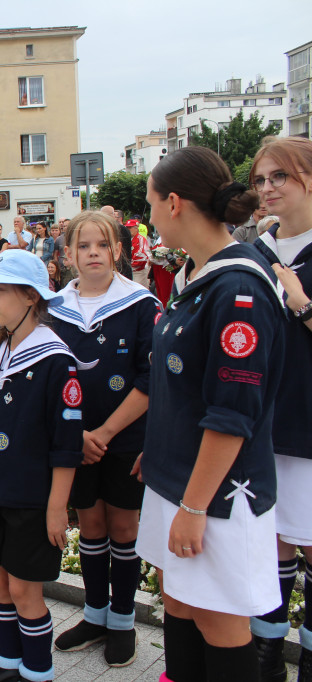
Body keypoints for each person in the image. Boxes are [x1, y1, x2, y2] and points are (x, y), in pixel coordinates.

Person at [138, 146, 285, 682]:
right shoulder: (194, 277)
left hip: (215, 494)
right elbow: (179, 387)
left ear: (174, 203)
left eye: (151, 202)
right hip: (176, 478)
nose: (149, 215)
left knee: (219, 619)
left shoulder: (237, 288)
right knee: (178, 602)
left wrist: (195, 506)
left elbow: (232, 414)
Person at [0, 249, 83, 682]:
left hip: (31, 499)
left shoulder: (55, 358)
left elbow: (67, 444)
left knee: (24, 591)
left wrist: (57, 507)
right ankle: (8, 669)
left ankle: (37, 674)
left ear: (31, 297)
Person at [48, 211, 160, 668]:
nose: (93, 253)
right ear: (69, 254)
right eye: (84, 246)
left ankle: (123, 620)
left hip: (126, 438)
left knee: (123, 528)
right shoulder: (53, 307)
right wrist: (77, 435)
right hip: (76, 439)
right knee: (90, 527)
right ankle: (95, 615)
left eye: (103, 244)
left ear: (118, 250)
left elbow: (151, 378)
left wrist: (105, 432)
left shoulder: (141, 304)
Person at [248, 136, 312, 682]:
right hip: (262, 419)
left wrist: (302, 302)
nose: (267, 189)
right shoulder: (259, 248)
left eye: (280, 178)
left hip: (309, 419)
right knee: (273, 542)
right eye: (261, 179)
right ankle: (267, 654)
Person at [100, 206, 135, 279]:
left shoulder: (100, 229)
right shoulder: (123, 229)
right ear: (113, 216)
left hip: (112, 268)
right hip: (123, 268)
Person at [126, 220, 151, 284]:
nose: (128, 230)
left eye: (130, 228)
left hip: (138, 272)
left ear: (136, 228)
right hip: (129, 271)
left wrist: (129, 264)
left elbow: (142, 256)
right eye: (127, 228)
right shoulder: (127, 238)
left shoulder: (141, 239)